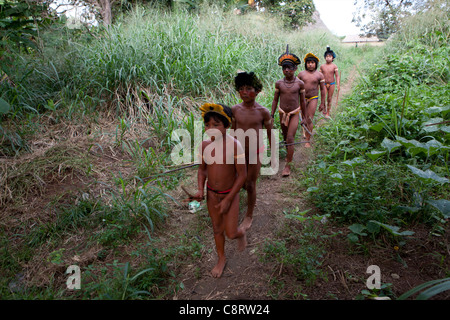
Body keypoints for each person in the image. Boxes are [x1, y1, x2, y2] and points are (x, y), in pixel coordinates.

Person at [193, 103, 247, 278]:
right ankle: (221, 258)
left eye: (216, 125)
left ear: (227, 125)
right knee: (217, 229)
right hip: (212, 194)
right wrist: (200, 190)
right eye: (207, 125)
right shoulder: (204, 146)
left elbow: (242, 176)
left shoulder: (235, 146)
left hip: (230, 194)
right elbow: (202, 170)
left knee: (230, 232)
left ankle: (241, 233)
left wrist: (229, 199)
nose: (211, 129)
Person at [231, 71, 273, 231]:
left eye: (249, 88)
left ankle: (249, 215)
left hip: (256, 152)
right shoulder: (235, 110)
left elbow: (270, 134)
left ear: (257, 90)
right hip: (239, 153)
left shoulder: (263, 112)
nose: (244, 92)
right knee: (237, 179)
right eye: (241, 88)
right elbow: (232, 132)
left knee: (250, 184)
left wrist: (272, 152)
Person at [271, 45, 306, 176]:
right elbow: (275, 100)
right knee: (285, 137)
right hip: (282, 113)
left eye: (289, 68)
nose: (287, 70)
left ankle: (288, 166)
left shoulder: (300, 84)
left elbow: (303, 101)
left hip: (294, 113)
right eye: (284, 68)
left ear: (295, 68)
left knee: (290, 137)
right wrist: (272, 114)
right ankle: (289, 154)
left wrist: (306, 117)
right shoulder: (279, 83)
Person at [297, 52, 326, 148]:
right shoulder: (301, 74)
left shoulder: (319, 75)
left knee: (309, 118)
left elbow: (322, 89)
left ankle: (308, 140)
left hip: (313, 98)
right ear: (305, 63)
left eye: (312, 62)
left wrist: (322, 103)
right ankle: (305, 131)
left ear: (316, 64)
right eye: (308, 62)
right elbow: (296, 88)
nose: (310, 64)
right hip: (302, 98)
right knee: (303, 118)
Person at [319, 46, 340, 118]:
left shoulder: (334, 66)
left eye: (330, 56)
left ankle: (328, 111)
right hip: (324, 84)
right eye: (327, 56)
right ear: (325, 57)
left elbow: (337, 76)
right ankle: (324, 108)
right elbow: (320, 76)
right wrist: (319, 84)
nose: (328, 57)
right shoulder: (322, 66)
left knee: (329, 98)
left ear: (333, 58)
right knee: (323, 97)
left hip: (332, 84)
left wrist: (338, 84)